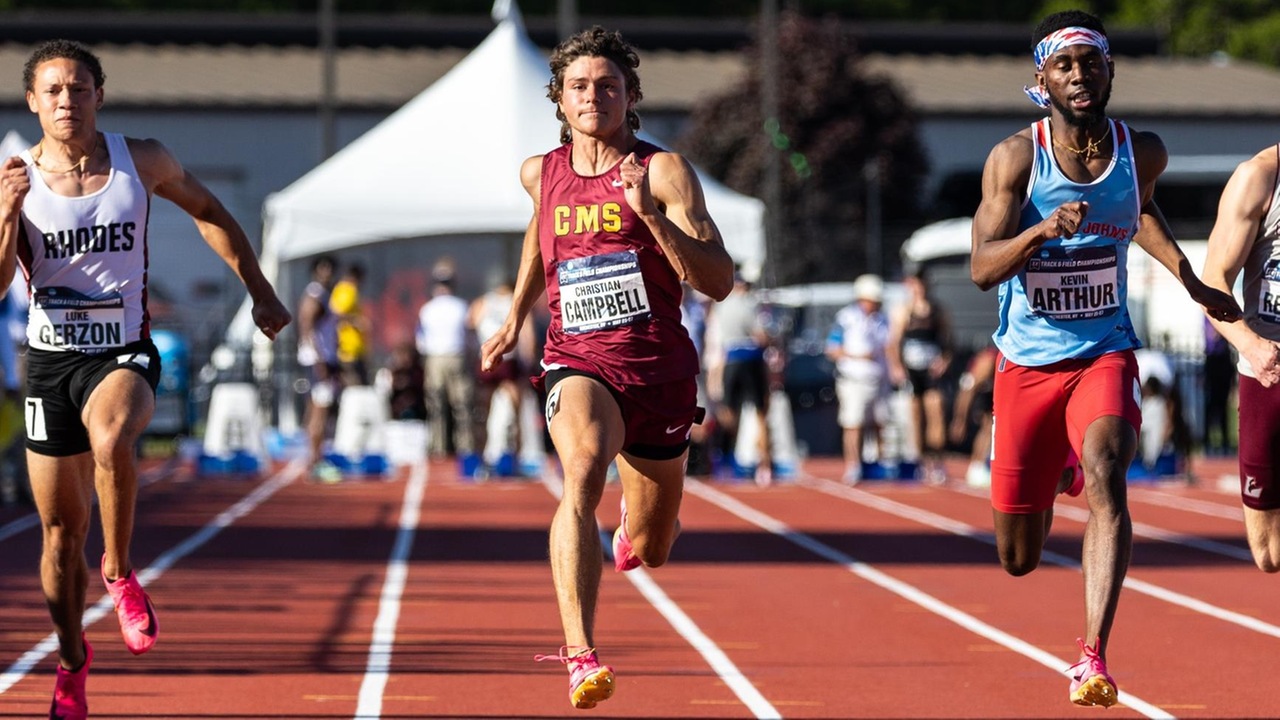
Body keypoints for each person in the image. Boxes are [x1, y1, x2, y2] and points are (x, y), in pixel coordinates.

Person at [0, 39, 291, 720]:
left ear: (99, 94)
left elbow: (212, 213)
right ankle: (72, 661)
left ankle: (121, 572)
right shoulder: (12, 180)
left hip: (122, 351)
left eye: (79, 88)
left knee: (112, 441)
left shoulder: (143, 159)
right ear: (32, 103)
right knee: (56, 535)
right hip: (48, 363)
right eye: (53, 91)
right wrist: (8, 212)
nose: (67, 101)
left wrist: (260, 288)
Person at [970, 11, 1240, 707]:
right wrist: (1038, 232)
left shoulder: (1140, 150)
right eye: (1065, 66)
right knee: (1017, 558)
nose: (1080, 76)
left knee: (1109, 472)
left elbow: (1139, 209)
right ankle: (1056, 465)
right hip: (1027, 364)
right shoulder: (1014, 159)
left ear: (1110, 71)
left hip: (1104, 351)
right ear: (1041, 81)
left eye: (1091, 63)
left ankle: (1092, 656)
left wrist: (1191, 279)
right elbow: (980, 268)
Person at [479, 26, 733, 710]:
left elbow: (719, 280)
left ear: (630, 97)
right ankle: (579, 653)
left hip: (659, 372)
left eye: (608, 86)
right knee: (581, 472)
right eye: (580, 86)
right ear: (560, 99)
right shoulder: (541, 172)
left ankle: (640, 526)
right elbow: (541, 236)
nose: (594, 96)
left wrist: (651, 216)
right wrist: (513, 316)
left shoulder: (663, 171)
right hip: (577, 358)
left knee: (652, 548)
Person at [1200, 141, 1280, 572]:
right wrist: (1251, 345)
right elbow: (1213, 281)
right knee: (1268, 553)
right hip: (1267, 371)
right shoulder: (1260, 179)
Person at [704, 271, 773, 485]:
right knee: (761, 412)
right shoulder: (751, 305)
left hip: (730, 359)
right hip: (751, 358)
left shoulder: (721, 307)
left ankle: (727, 458)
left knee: (728, 411)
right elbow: (761, 336)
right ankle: (764, 465)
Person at [886, 270, 953, 484]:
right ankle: (921, 462)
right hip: (912, 370)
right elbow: (893, 343)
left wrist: (944, 361)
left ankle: (938, 460)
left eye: (922, 284)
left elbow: (949, 341)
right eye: (915, 284)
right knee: (916, 416)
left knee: (936, 411)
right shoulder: (903, 311)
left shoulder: (937, 310)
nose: (919, 289)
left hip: (931, 368)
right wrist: (897, 367)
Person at [826, 273, 891, 485]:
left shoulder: (882, 319)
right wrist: (857, 356)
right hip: (853, 379)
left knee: (880, 423)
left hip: (878, 379)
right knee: (853, 424)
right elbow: (832, 349)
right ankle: (853, 465)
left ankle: (879, 465)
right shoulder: (846, 318)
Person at [416, 263, 477, 465]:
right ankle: (465, 448)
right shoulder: (461, 306)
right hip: (456, 356)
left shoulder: (427, 309)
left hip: (435, 358)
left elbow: (420, 340)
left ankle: (439, 449)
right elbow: (470, 337)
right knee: (461, 406)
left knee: (437, 406)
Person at [296, 254, 342, 482]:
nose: (328, 272)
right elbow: (306, 325)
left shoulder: (324, 293)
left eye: (330, 268)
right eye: (323, 267)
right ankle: (316, 460)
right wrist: (318, 358)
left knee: (317, 411)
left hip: (323, 358)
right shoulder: (315, 294)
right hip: (318, 361)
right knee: (319, 412)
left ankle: (315, 457)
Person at [329, 261, 370, 387]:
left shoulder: (340, 289)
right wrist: (356, 321)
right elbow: (337, 312)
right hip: (349, 347)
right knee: (355, 385)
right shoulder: (348, 290)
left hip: (351, 347)